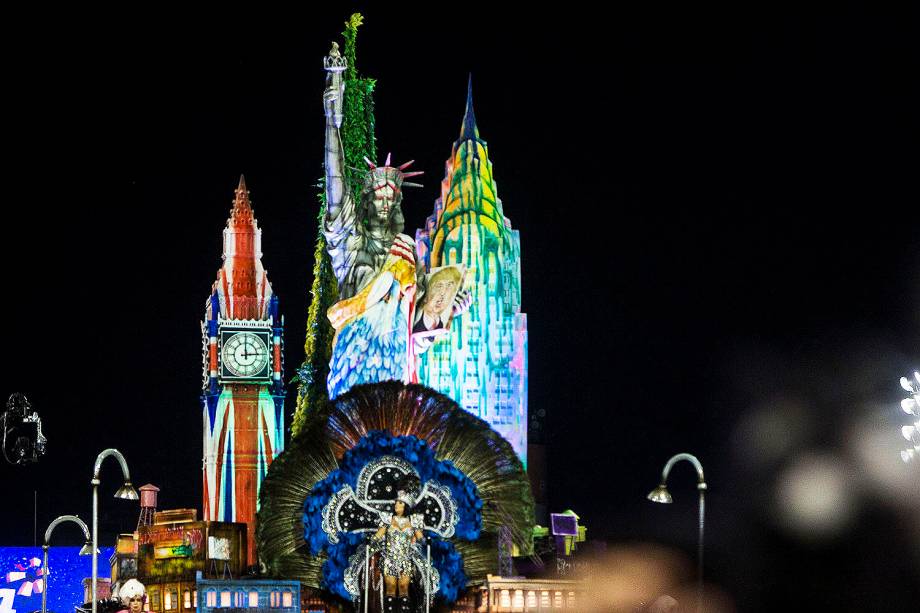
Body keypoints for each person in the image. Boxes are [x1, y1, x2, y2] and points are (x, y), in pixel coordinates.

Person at [373, 490, 425, 613]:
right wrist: (372, 540)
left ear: (406, 506)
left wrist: (425, 541)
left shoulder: (414, 521)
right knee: (390, 588)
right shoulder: (388, 519)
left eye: (400, 503)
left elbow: (420, 537)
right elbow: (378, 535)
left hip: (405, 560)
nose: (396, 505)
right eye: (396, 503)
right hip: (389, 560)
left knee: (403, 589)